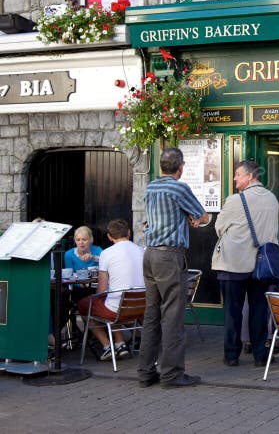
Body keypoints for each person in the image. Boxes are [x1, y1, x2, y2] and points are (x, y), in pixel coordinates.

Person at [137, 148, 209, 389]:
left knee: (151, 315)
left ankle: (146, 373)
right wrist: (197, 220)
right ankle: (171, 374)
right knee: (173, 316)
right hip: (169, 256)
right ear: (180, 167)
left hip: (150, 254)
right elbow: (204, 215)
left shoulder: (151, 187)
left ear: (161, 166)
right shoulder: (179, 187)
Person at [213, 160, 279, 368]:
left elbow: (219, 227)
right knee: (259, 311)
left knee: (233, 312)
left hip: (234, 263)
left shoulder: (234, 200)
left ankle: (232, 355)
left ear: (250, 176)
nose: (234, 179)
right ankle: (260, 355)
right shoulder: (272, 199)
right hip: (262, 265)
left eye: (238, 175)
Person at [77, 219, 144, 361]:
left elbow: (102, 289)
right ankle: (120, 344)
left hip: (116, 310)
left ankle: (107, 346)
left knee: (86, 305)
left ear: (109, 236)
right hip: (141, 308)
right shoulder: (141, 251)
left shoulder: (107, 254)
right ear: (129, 233)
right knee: (111, 302)